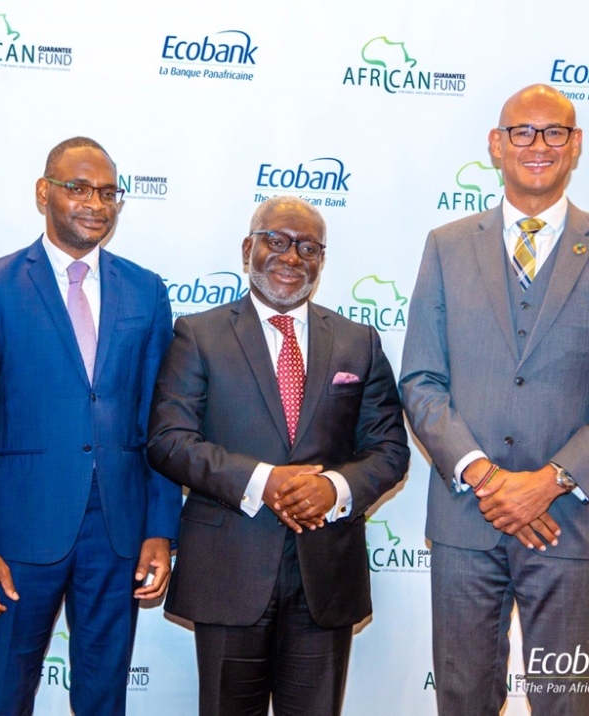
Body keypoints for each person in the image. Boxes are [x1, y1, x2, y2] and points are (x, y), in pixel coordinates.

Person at [399, 84, 589, 715]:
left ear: (575, 147)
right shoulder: (447, 244)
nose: (537, 145)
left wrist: (548, 481)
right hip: (468, 523)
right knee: (461, 703)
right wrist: (489, 479)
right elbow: (421, 381)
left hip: (571, 527)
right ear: (496, 144)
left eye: (554, 132)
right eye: (522, 131)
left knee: (566, 707)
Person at [147, 196, 409, 715]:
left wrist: (332, 488)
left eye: (308, 246)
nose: (292, 257)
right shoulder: (198, 335)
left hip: (325, 580)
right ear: (248, 248)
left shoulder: (358, 342)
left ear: (322, 259)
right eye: (277, 240)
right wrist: (264, 481)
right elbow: (169, 439)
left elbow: (390, 450)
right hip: (229, 575)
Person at [0, 136, 180, 715]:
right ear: (43, 192)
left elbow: (162, 418)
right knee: (5, 692)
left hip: (120, 530)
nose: (95, 203)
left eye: (107, 192)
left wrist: (160, 529)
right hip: (18, 530)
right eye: (78, 188)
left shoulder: (146, 291)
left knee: (104, 697)